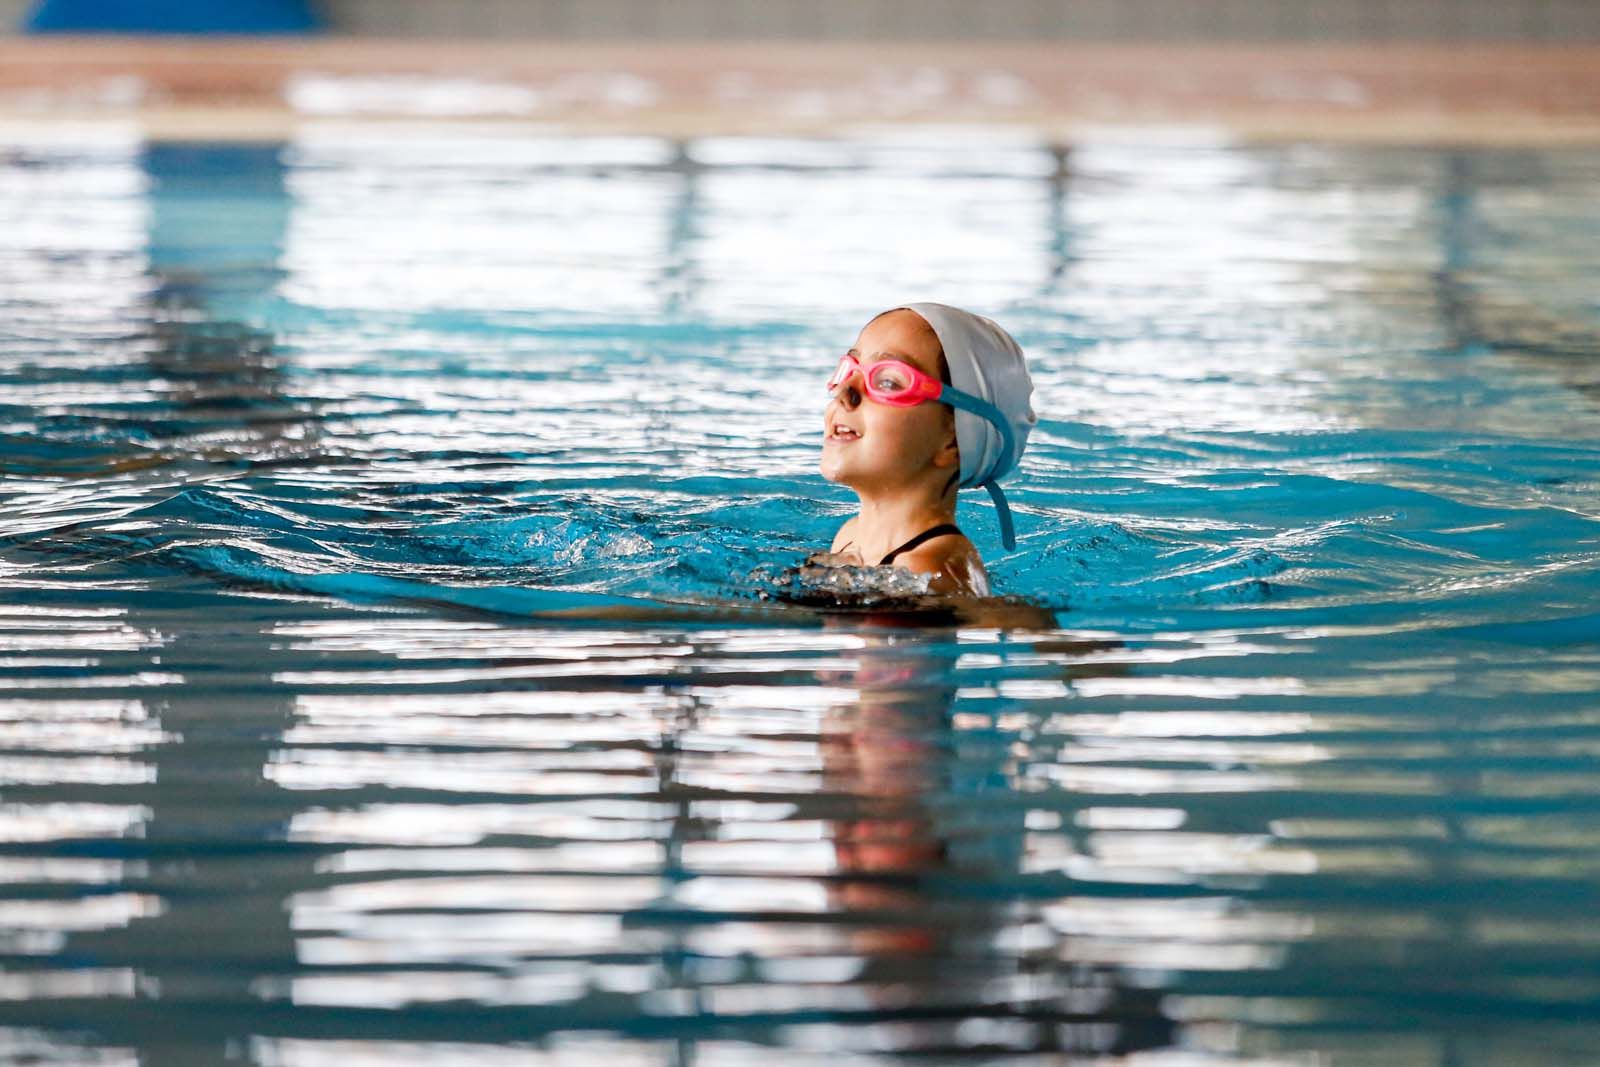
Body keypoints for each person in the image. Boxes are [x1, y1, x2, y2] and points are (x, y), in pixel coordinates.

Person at [819, 303, 1036, 597]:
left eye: (887, 381)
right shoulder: (849, 535)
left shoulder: (934, 568)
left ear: (953, 440)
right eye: (849, 371)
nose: (846, 393)